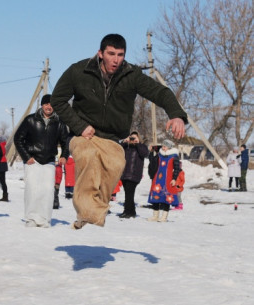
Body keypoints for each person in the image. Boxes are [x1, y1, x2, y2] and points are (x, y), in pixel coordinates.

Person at [50, 33, 187, 230]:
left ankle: (95, 210)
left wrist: (176, 114)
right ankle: (85, 212)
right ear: (100, 53)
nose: (115, 60)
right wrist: (80, 126)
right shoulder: (79, 71)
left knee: (116, 164)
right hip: (83, 134)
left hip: (112, 138)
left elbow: (159, 92)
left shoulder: (131, 75)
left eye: (120, 55)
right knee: (88, 158)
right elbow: (57, 100)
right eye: (111, 54)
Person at [14, 94, 69, 228]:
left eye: (51, 104)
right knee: (32, 190)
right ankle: (31, 219)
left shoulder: (59, 123)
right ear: (42, 105)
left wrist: (64, 156)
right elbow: (18, 138)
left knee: (47, 191)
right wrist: (27, 157)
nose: (49, 107)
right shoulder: (30, 120)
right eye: (46, 104)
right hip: (33, 161)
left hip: (49, 161)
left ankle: (45, 219)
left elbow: (66, 142)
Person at [148, 139, 183, 222]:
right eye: (162, 146)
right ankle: (155, 216)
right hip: (158, 179)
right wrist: (151, 151)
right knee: (156, 196)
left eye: (165, 146)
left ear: (169, 147)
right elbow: (152, 162)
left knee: (167, 197)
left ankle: (164, 217)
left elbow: (177, 169)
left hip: (168, 180)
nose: (163, 148)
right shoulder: (159, 154)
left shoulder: (174, 156)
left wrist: (174, 179)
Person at [118, 131, 149, 218]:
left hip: (134, 174)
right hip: (124, 174)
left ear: (139, 138)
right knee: (128, 194)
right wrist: (124, 141)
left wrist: (137, 144)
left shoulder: (142, 147)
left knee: (129, 194)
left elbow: (144, 153)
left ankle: (127, 211)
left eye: (134, 138)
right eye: (131, 137)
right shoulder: (126, 147)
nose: (132, 139)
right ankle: (131, 212)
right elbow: (117, 149)